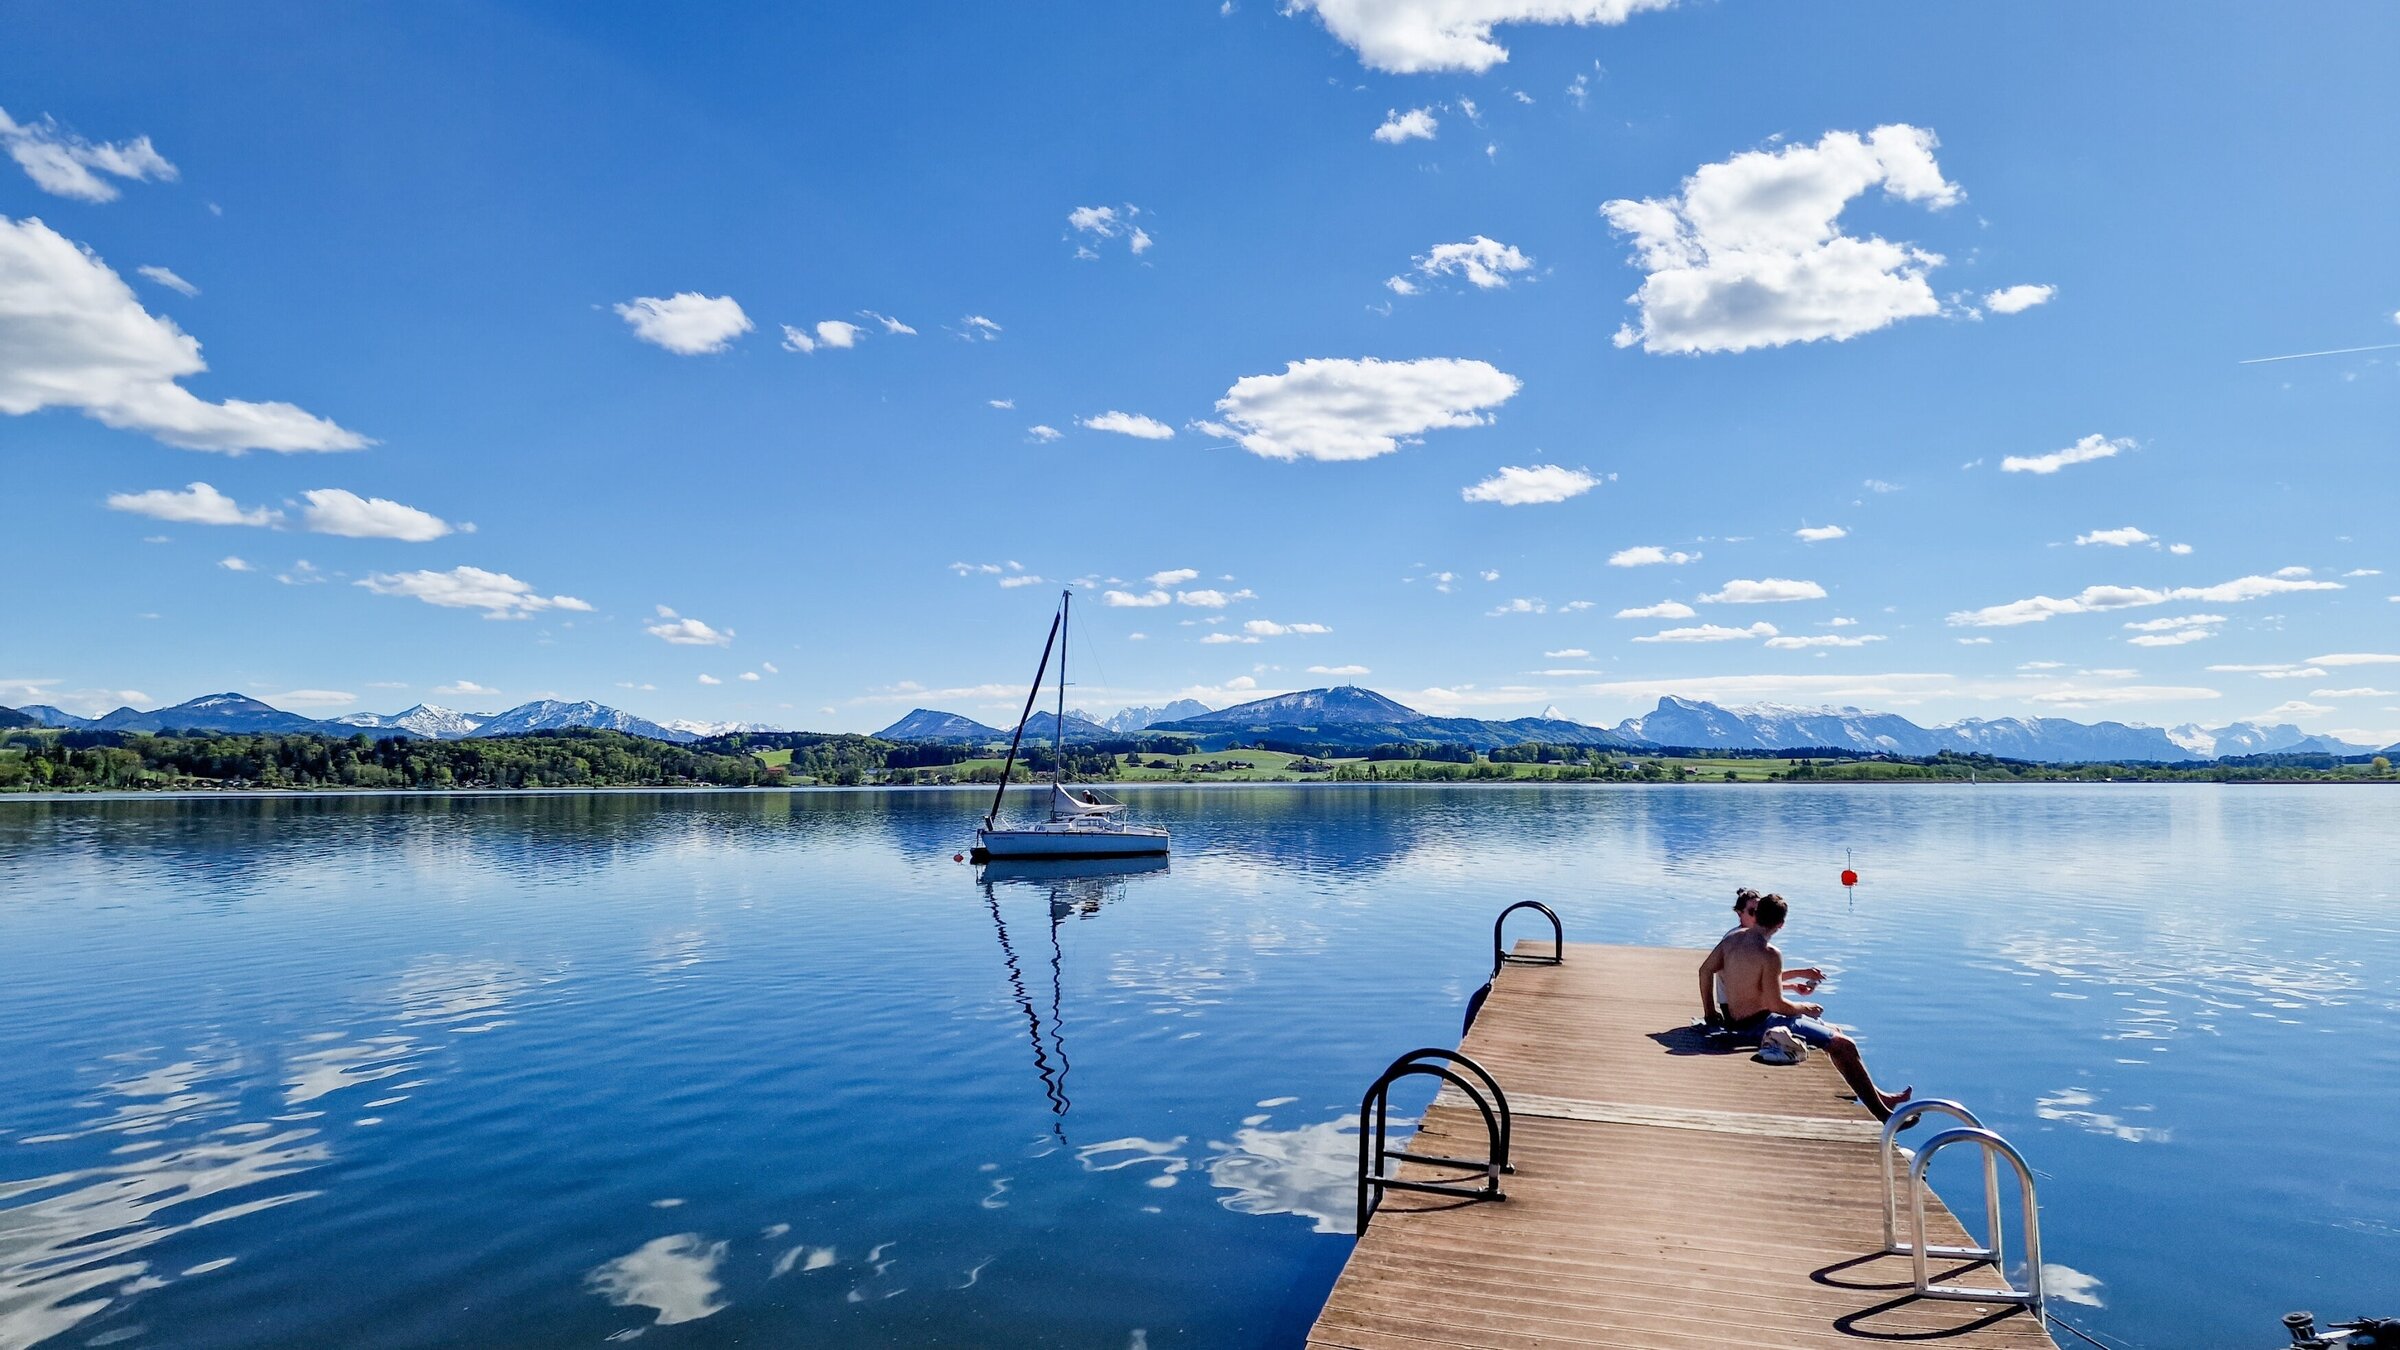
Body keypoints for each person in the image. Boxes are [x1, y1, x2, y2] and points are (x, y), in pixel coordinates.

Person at [1697, 894, 1911, 1120]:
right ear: (1781, 925)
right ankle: (1886, 1116)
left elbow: (1704, 971)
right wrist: (1804, 1007)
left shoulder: (1732, 940)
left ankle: (1877, 1097)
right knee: (1845, 1044)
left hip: (1737, 1020)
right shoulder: (1770, 954)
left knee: (1835, 1032)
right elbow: (1775, 1004)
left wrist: (1710, 1014)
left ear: (1757, 915)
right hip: (1758, 1025)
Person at [1707, 888, 1824, 1025]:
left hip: (1744, 1007)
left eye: (1758, 911)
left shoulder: (1747, 938)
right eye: (1752, 911)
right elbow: (1747, 983)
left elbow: (1755, 980)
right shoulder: (1736, 940)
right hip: (1741, 1011)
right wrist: (1709, 1013)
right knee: (1823, 1026)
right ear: (1739, 913)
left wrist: (1793, 984)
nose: (1757, 916)